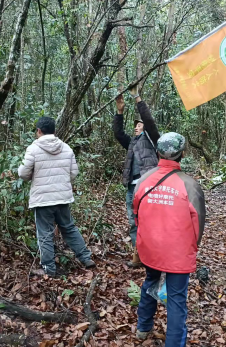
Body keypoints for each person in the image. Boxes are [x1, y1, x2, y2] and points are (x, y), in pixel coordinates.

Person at [132, 133, 205, 347]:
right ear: (182, 153)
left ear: (158, 153)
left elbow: (136, 214)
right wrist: (190, 249)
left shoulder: (142, 180)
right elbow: (198, 226)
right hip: (176, 254)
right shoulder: (190, 185)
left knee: (150, 282)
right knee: (176, 304)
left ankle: (143, 327)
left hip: (150, 248)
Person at [18, 116, 95, 277]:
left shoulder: (33, 148)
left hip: (42, 200)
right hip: (63, 197)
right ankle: (86, 258)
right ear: (54, 130)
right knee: (69, 228)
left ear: (38, 131)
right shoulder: (66, 148)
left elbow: (23, 173)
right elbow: (74, 172)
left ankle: (48, 268)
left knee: (44, 233)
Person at [113, 89, 160, 267]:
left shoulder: (152, 139)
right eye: (135, 125)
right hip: (132, 188)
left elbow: (149, 121)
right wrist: (120, 111)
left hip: (147, 185)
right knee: (134, 221)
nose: (136, 127)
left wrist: (137, 98)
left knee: (150, 221)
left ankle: (153, 255)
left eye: (139, 125)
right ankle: (138, 255)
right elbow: (118, 134)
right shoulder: (132, 143)